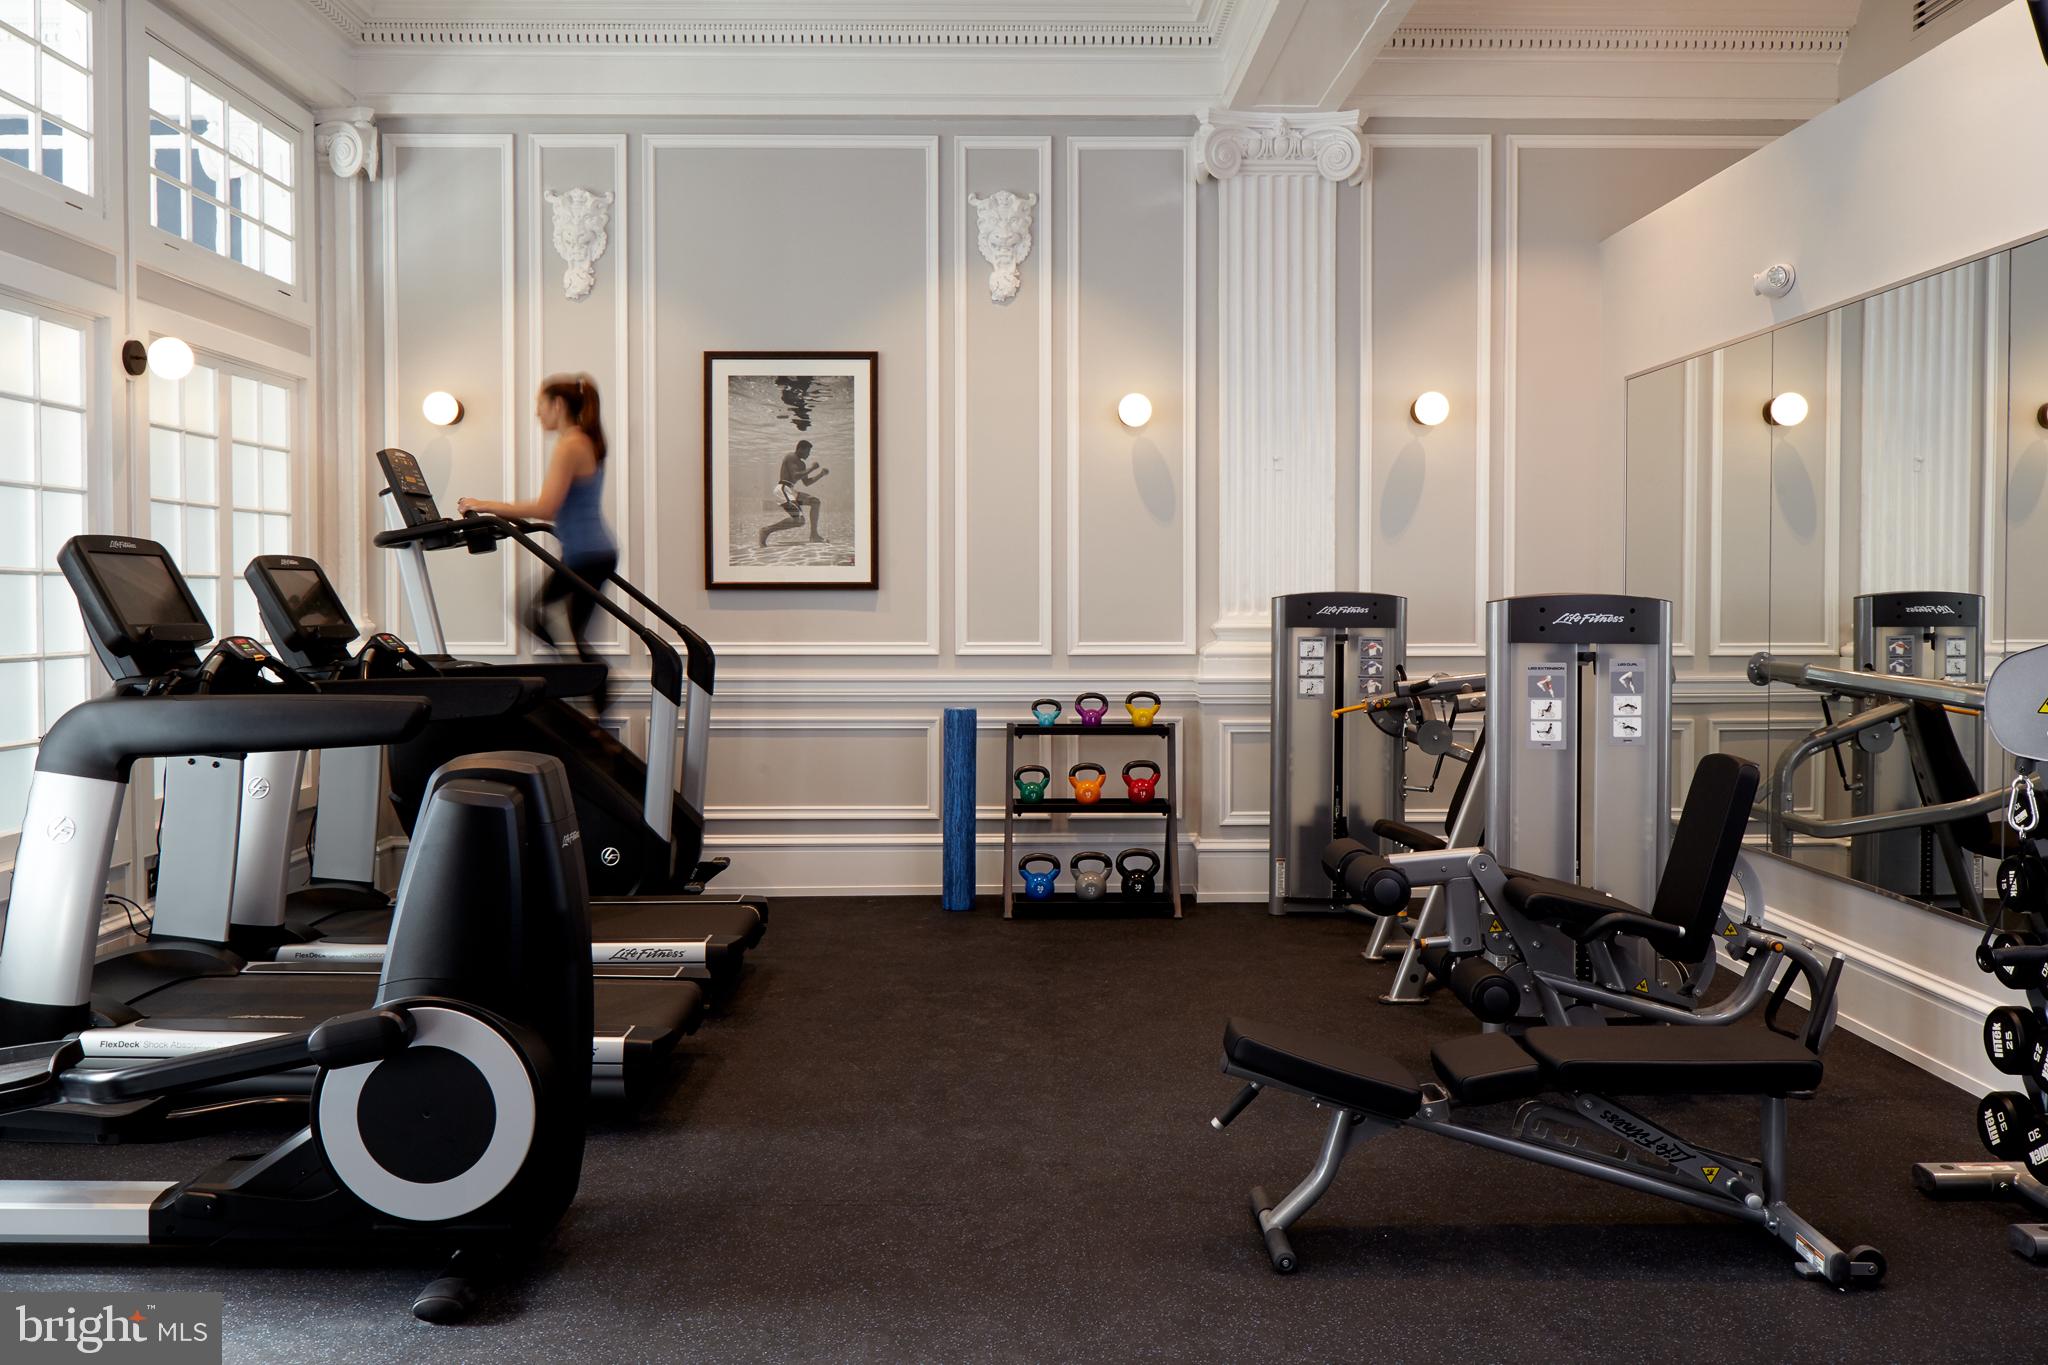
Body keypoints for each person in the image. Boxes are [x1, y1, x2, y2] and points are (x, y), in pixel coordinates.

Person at [458, 372, 617, 712]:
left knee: (532, 613)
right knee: (567, 630)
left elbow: (547, 507)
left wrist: (484, 504)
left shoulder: (571, 443)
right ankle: (593, 688)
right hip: (591, 550)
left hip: (588, 553)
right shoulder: (583, 440)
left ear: (557, 405)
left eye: (540, 405)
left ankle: (592, 681)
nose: (537, 413)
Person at [758, 438, 830, 547]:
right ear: (800, 449)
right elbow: (795, 475)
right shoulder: (790, 456)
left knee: (815, 502)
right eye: (808, 451)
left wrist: (820, 474)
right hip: (782, 489)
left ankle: (814, 535)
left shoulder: (802, 464)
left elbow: (807, 482)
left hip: (790, 490)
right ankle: (766, 531)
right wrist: (811, 468)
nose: (809, 455)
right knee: (799, 521)